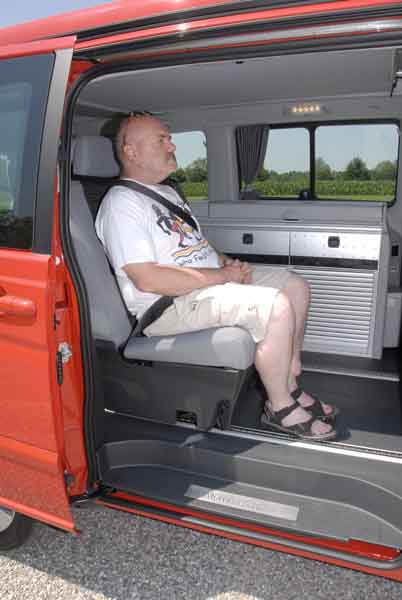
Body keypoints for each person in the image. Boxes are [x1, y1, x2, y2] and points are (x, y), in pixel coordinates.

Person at [95, 112, 339, 440]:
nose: (172, 145)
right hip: (167, 305)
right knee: (277, 306)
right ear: (131, 152)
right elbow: (148, 279)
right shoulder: (121, 204)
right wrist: (222, 276)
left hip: (202, 287)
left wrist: (228, 264)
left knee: (295, 286)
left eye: (170, 138)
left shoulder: (167, 193)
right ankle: (279, 407)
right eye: (161, 140)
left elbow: (195, 246)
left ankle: (290, 382)